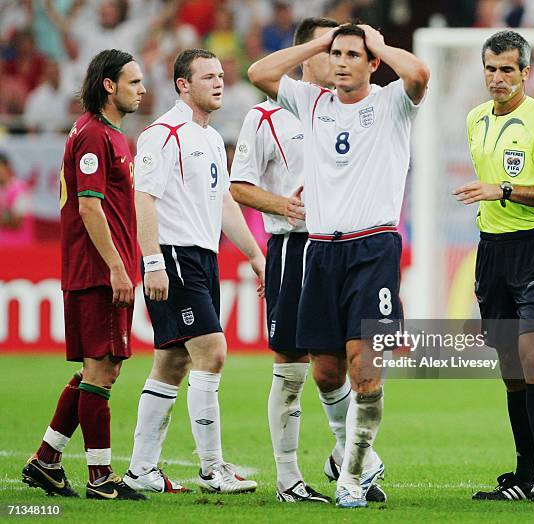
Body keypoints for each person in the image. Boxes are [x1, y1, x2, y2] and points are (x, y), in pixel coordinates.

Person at [248, 23, 429, 508]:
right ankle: (362, 461)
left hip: (373, 249)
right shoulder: (311, 103)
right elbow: (258, 72)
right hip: (322, 252)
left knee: (364, 370)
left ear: (372, 62)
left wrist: (380, 43)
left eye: (354, 54)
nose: (343, 61)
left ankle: (351, 475)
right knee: (326, 373)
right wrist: (318, 46)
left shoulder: (391, 102)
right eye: (337, 54)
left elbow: (419, 71)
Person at [123, 49, 265, 495]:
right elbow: (143, 198)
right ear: (183, 85)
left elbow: (224, 203)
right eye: (208, 77)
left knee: (173, 360)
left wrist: (255, 255)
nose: (219, 83)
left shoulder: (208, 138)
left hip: (203, 258)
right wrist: (152, 263)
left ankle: (141, 469)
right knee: (213, 351)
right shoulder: (162, 134)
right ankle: (211, 469)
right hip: (174, 255)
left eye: (221, 75)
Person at [453, 30, 534, 503]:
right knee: (508, 364)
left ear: (525, 72)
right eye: (491, 68)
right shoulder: (475, 119)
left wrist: (502, 190)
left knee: (533, 357)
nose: (497, 77)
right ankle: (523, 473)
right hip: (493, 252)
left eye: (507, 69)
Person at [22, 49, 147, 501]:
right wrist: (117, 266)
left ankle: (47, 460)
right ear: (109, 85)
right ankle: (101, 478)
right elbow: (89, 206)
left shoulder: (100, 132)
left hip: (96, 267)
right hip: (98, 270)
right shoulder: (96, 136)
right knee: (102, 371)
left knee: (99, 369)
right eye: (133, 82)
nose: (142, 89)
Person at [231, 16, 339, 504]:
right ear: (304, 55)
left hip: (344, 247)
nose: (339, 62)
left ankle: (348, 455)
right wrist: (282, 206)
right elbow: (238, 186)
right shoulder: (266, 115)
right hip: (294, 247)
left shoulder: (348, 108)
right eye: (330, 51)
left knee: (345, 358)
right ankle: (289, 478)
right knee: (292, 363)